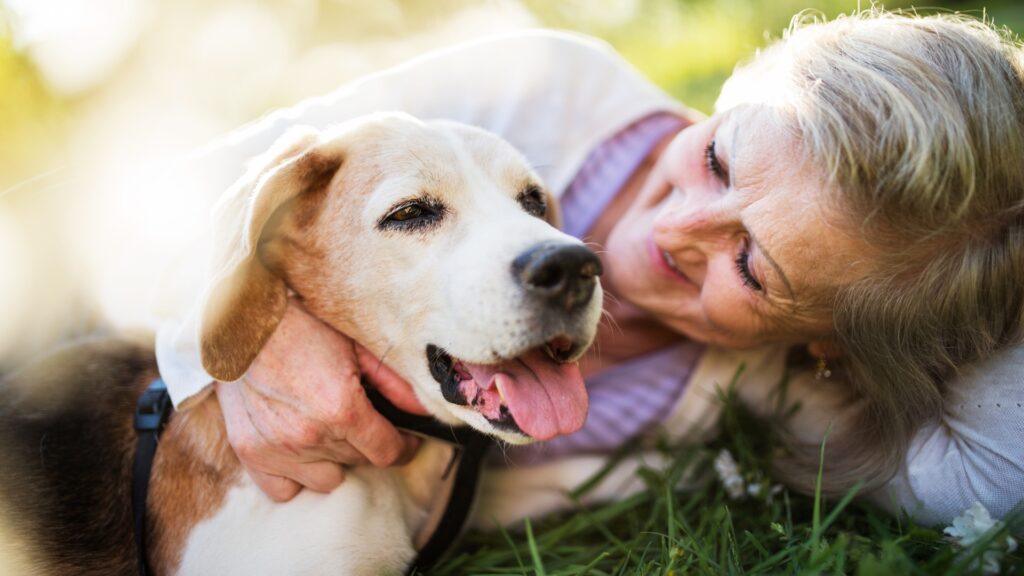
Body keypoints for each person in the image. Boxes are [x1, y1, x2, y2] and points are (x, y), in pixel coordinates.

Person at [155, 8, 1024, 527]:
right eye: (717, 159)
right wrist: (241, 339)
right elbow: (155, 202)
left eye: (753, 266)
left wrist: (990, 252)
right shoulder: (547, 86)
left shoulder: (777, 383)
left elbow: (997, 479)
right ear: (733, 91)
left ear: (830, 339)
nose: (672, 230)